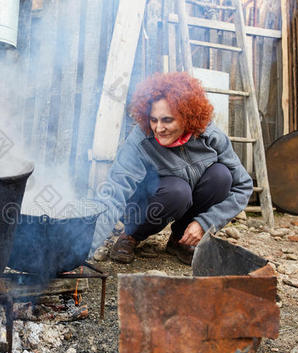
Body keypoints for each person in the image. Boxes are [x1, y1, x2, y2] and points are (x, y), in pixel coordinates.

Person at [91, 72, 253, 265]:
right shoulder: (140, 140)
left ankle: (180, 239)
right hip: (150, 203)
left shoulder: (210, 135)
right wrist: (87, 244)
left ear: (187, 116)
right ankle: (131, 236)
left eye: (167, 120)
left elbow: (243, 186)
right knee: (178, 190)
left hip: (188, 201)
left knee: (221, 176)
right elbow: (114, 191)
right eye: (153, 119)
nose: (158, 128)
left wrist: (205, 223)